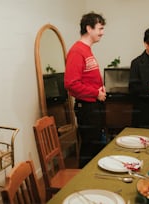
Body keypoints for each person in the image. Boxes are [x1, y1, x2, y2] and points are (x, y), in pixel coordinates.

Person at [64, 12, 106, 168]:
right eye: (100, 28)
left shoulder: (87, 49)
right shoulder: (77, 51)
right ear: (89, 28)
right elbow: (71, 84)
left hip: (95, 106)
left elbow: (86, 78)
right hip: (87, 108)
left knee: (96, 148)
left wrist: (99, 88)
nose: (102, 32)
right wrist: (96, 93)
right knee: (89, 150)